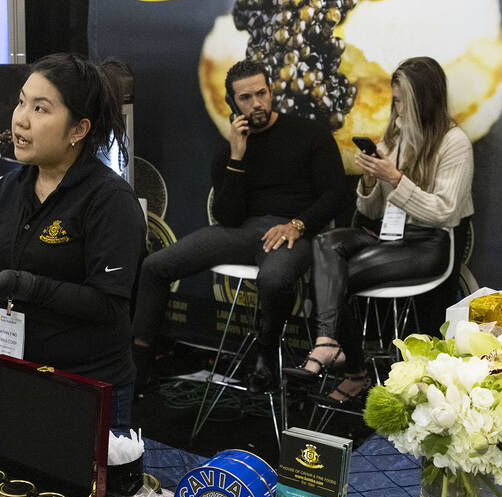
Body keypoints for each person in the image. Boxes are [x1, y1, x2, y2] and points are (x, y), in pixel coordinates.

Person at [0, 53, 145, 428]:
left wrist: (27, 286)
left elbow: (108, 304)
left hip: (87, 385)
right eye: (22, 101)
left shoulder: (110, 200)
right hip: (17, 374)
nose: (20, 118)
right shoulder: (8, 189)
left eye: (41, 109)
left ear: (78, 130)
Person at [132, 58, 346, 392]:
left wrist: (297, 225)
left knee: (274, 280)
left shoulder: (310, 134)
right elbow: (228, 217)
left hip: (296, 232)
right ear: (233, 103)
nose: (257, 103)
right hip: (244, 231)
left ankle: (265, 354)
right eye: (246, 98)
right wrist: (236, 157)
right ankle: (139, 363)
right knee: (155, 266)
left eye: (261, 93)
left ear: (272, 91)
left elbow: (335, 195)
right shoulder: (230, 151)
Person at [285, 56, 473, 405]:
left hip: (431, 243)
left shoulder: (454, 143)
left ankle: (352, 370)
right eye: (394, 99)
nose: (396, 107)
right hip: (388, 235)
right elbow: (369, 211)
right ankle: (330, 345)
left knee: (337, 276)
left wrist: (395, 178)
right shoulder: (396, 135)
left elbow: (444, 212)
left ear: (422, 100)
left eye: (401, 100)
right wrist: (370, 182)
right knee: (325, 245)